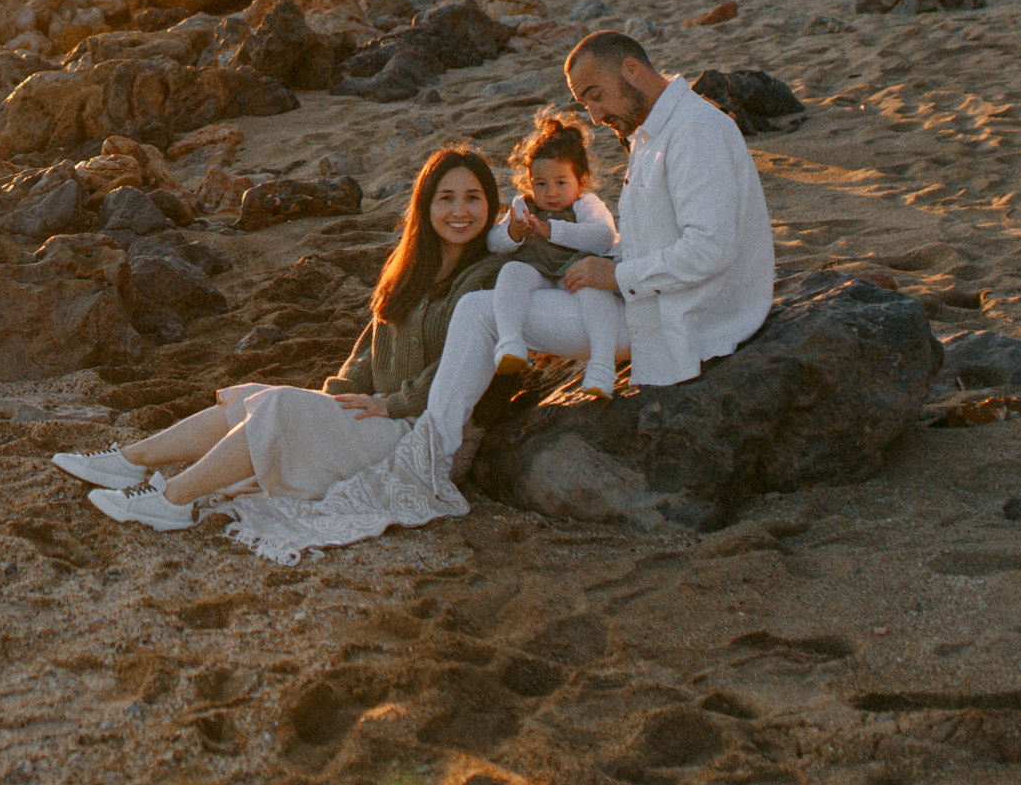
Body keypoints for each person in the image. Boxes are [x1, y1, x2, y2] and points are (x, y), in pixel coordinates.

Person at [48, 145, 510, 552]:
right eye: (445, 198)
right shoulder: (412, 268)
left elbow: (462, 367)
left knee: (282, 406)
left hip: (424, 435)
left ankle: (172, 500)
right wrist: (340, 394)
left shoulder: (490, 277)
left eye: (473, 198)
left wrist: (390, 403)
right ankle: (131, 462)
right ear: (426, 206)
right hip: (377, 415)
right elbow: (371, 344)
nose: (460, 211)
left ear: (491, 207)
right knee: (255, 395)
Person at [407, 29, 776, 481]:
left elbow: (709, 250)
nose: (596, 116)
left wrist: (615, 276)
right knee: (499, 295)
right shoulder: (656, 131)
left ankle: (429, 462)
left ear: (631, 70)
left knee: (478, 312)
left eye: (596, 97)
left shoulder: (695, 131)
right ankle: (436, 450)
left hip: (682, 316)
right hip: (654, 296)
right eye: (586, 104)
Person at [486, 109, 624, 402]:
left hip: (574, 270)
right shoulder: (523, 206)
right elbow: (493, 243)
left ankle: (601, 364)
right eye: (540, 183)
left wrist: (553, 231)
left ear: (581, 180)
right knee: (511, 273)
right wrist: (513, 232)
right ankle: (510, 343)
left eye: (561, 182)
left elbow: (603, 237)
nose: (550, 193)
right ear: (529, 181)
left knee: (594, 291)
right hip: (537, 271)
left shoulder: (587, 204)